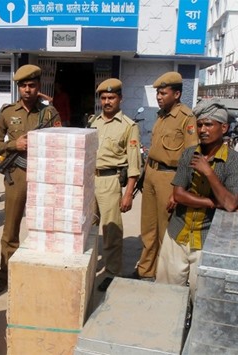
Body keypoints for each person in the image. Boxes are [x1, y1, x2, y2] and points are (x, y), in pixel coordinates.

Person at [156, 101, 238, 299]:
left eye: (209, 125)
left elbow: (230, 204)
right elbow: (179, 194)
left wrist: (209, 173)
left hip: (207, 240)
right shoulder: (189, 154)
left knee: (202, 298)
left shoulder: (235, 161)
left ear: (224, 128)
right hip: (178, 233)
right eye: (200, 125)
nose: (202, 130)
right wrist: (213, 203)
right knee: (166, 295)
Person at [0, 64, 61, 293]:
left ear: (39, 86)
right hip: (17, 176)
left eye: (32, 85)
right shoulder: (8, 112)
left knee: (43, 227)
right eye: (23, 86)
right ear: (18, 88)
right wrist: (14, 145)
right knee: (11, 228)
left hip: (43, 176)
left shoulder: (50, 114)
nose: (27, 90)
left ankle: (39, 271)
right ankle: (5, 273)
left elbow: (61, 143)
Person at [135, 71, 198, 281]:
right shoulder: (161, 115)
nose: (159, 97)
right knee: (148, 227)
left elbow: (191, 157)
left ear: (177, 94)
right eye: (158, 94)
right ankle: (146, 270)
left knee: (165, 230)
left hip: (169, 178)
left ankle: (163, 276)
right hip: (152, 174)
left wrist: (178, 190)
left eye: (163, 93)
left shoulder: (186, 118)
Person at [88, 78, 142, 292]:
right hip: (90, 179)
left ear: (120, 98)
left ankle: (112, 272)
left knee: (111, 231)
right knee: (88, 228)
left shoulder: (129, 126)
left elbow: (134, 165)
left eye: (111, 97)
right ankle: (89, 267)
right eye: (104, 98)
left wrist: (128, 193)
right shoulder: (94, 122)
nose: (107, 101)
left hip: (111, 181)